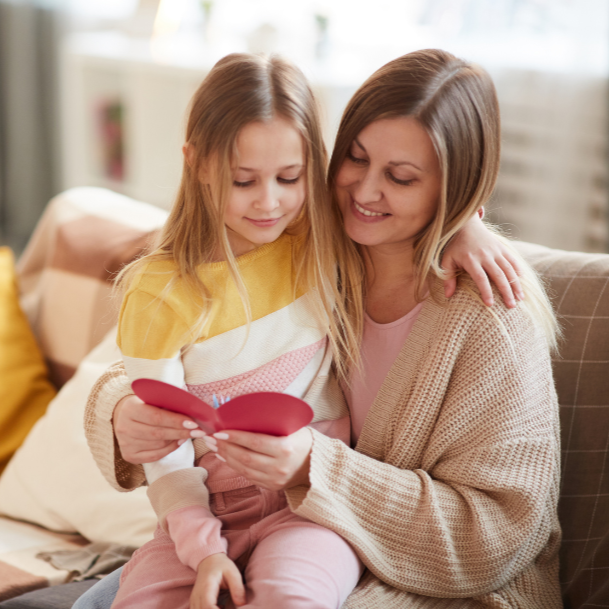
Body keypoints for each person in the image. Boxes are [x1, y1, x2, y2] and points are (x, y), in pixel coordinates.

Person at [79, 49, 560, 609]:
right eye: (354, 159)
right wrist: (121, 411)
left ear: (453, 190)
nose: (364, 192)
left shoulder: (490, 321)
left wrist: (315, 466)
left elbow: (496, 539)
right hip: (249, 530)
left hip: (421, 580)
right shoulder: (323, 250)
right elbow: (191, 356)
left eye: (400, 178)